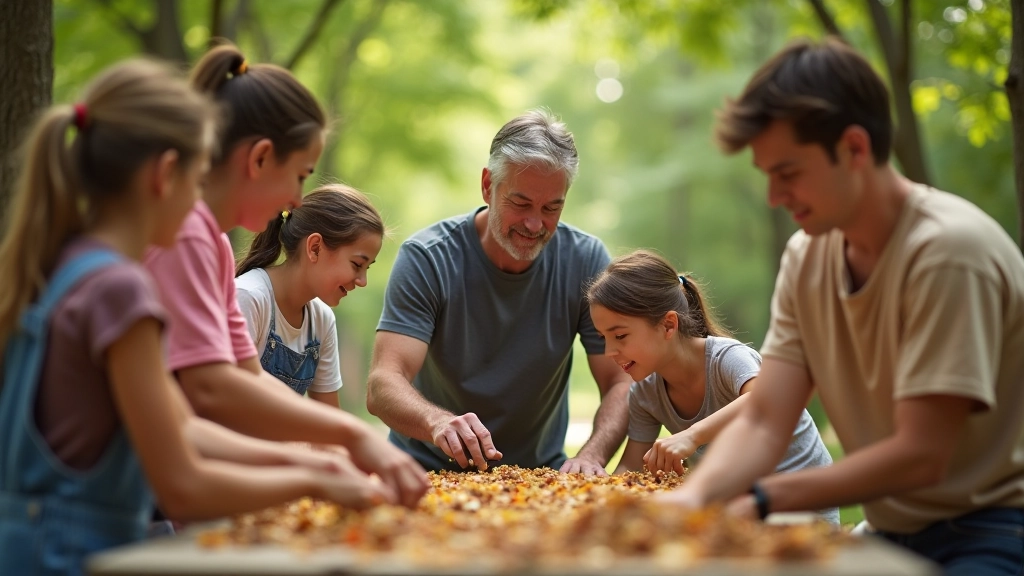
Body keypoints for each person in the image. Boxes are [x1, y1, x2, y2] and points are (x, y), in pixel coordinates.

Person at [0, 60, 392, 576]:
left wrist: (322, 459)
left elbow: (184, 428)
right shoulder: (120, 290)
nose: (200, 208)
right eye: (196, 178)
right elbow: (182, 484)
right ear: (166, 175)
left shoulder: (73, 266)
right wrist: (314, 477)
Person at [658, 37, 1024, 574]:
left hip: (991, 529)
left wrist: (765, 499)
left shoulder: (948, 253)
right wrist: (692, 499)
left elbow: (922, 455)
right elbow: (764, 420)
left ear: (854, 148)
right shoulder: (807, 257)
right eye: (768, 177)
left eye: (788, 173)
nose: (774, 197)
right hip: (888, 528)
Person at [144, 43, 428, 507]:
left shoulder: (212, 244)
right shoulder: (185, 236)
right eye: (300, 175)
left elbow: (245, 377)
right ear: (258, 159)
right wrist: (346, 445)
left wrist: (337, 451)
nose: (298, 201)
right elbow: (210, 389)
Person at [366, 110, 633, 474]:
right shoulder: (428, 258)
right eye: (521, 204)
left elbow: (621, 379)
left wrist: (591, 455)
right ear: (488, 186)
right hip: (423, 469)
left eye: (551, 207)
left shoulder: (586, 261)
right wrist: (437, 423)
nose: (535, 223)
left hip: (541, 475)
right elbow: (383, 383)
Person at [587, 250, 838, 524]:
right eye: (602, 338)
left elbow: (767, 399)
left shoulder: (728, 358)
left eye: (620, 335)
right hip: (736, 515)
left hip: (800, 511)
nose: (609, 351)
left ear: (668, 325)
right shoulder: (645, 393)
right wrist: (600, 502)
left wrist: (692, 435)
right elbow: (630, 469)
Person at [235, 184, 384, 407]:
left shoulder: (321, 320)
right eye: (357, 264)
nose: (362, 281)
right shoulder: (248, 298)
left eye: (367, 268)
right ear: (315, 248)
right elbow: (225, 404)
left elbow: (328, 422)